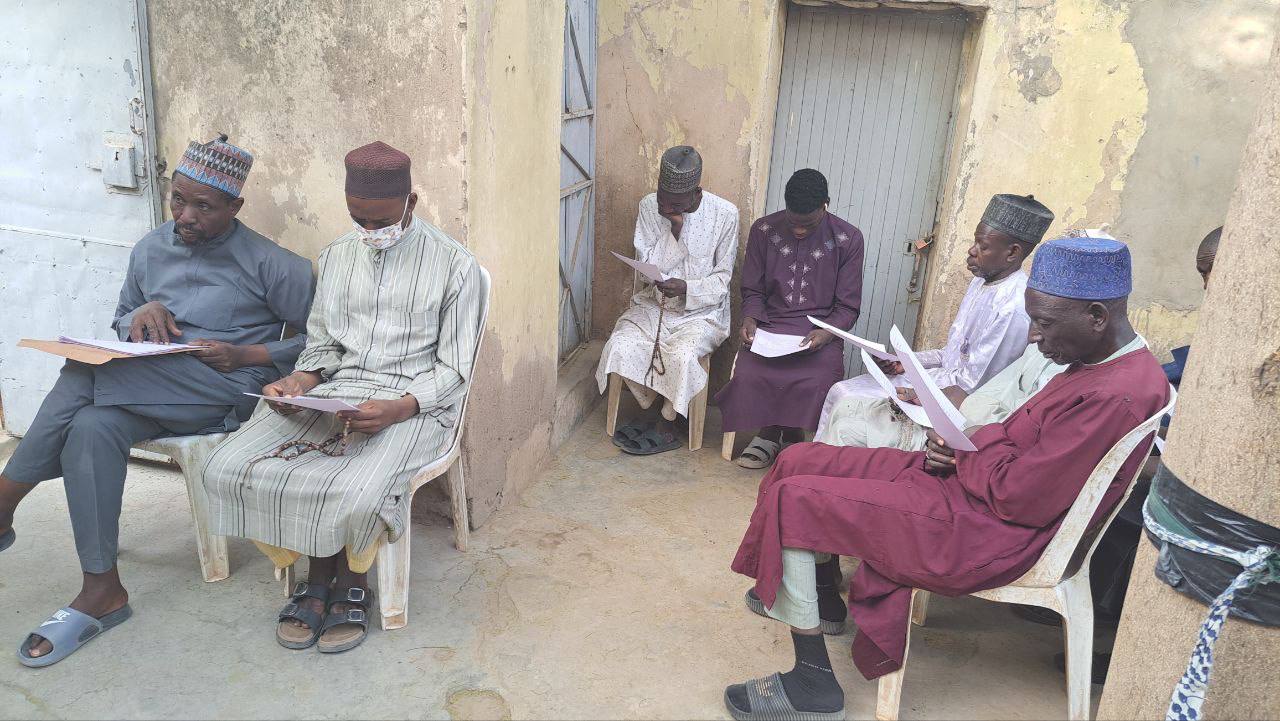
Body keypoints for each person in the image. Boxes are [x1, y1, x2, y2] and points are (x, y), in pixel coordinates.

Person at [724, 236, 1170, 720]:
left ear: (1097, 316)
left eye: (1043, 324)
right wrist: (964, 446)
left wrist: (968, 451)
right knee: (797, 460)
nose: (1034, 337)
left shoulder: (1116, 393)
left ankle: (812, 685)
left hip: (987, 531)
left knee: (794, 499)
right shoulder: (1094, 362)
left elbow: (1021, 498)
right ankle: (823, 597)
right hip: (973, 488)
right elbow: (1018, 442)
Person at [1, 135, 314, 667]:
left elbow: (321, 342)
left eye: (203, 206)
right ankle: (102, 589)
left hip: (225, 391)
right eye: (178, 199)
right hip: (148, 384)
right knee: (92, 426)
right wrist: (137, 316)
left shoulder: (276, 265)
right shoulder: (150, 249)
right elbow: (120, 320)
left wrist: (247, 353)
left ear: (235, 206)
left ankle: (5, 500)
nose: (185, 216)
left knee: (82, 369)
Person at [201, 141, 484, 654]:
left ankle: (348, 582)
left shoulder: (456, 266)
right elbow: (323, 345)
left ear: (411, 202)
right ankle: (317, 573)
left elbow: (455, 369)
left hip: (416, 403)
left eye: (382, 221)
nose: (370, 232)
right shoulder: (336, 257)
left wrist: (399, 407)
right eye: (359, 220)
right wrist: (300, 383)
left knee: (357, 487)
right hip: (338, 393)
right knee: (229, 465)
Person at [816, 194, 1054, 445]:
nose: (971, 251)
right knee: (841, 391)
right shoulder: (980, 282)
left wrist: (918, 389)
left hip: (956, 407)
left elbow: (973, 387)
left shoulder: (1013, 308)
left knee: (849, 402)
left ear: (1012, 253)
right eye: (975, 241)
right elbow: (951, 354)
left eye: (982, 246)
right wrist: (906, 363)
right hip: (938, 381)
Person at [714, 169, 864, 469]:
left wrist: (825, 334)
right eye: (793, 222)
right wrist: (750, 318)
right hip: (770, 326)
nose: (798, 231)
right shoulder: (763, 230)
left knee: (819, 377)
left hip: (819, 331)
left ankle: (792, 434)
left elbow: (847, 307)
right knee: (749, 373)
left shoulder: (848, 239)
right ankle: (770, 433)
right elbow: (752, 290)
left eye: (807, 224)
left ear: (825, 205)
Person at [596, 146, 739, 454]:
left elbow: (721, 281)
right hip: (654, 304)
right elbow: (645, 264)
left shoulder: (725, 215)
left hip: (702, 313)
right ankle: (650, 405)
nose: (664, 206)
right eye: (662, 197)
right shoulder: (650, 206)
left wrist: (686, 287)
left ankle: (667, 420)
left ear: (696, 194)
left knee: (683, 355)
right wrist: (673, 228)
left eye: (674, 204)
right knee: (619, 344)